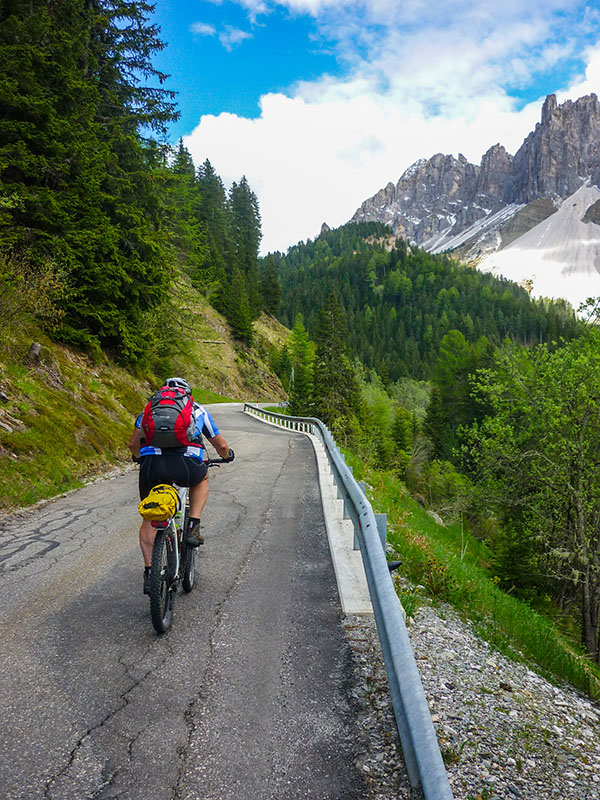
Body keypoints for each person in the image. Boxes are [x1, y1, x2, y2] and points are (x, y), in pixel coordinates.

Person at [129, 377, 234, 594]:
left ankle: (150, 573)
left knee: (151, 516)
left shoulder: (150, 407)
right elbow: (220, 444)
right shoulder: (196, 409)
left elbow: (132, 444)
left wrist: (141, 457)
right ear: (187, 393)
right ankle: (193, 525)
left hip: (152, 466)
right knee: (201, 479)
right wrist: (227, 455)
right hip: (186, 463)